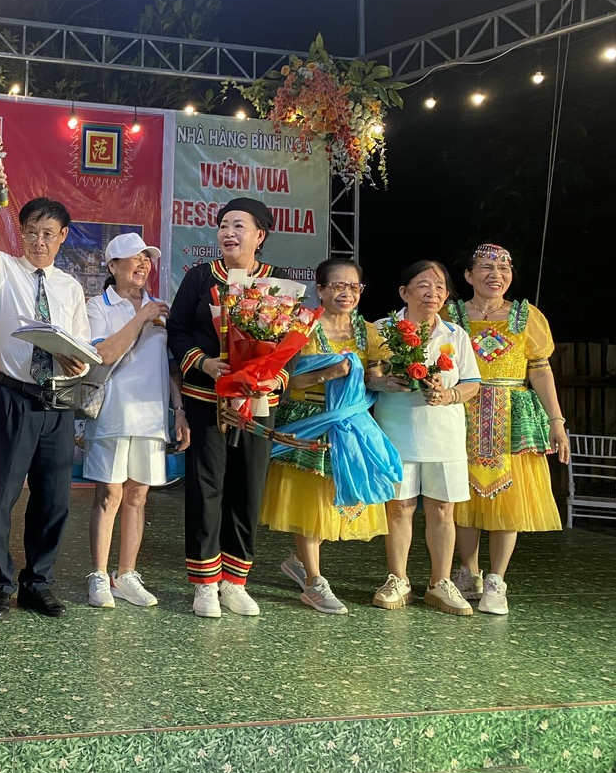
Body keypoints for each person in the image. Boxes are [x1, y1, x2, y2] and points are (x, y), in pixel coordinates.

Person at [0, 157, 90, 621]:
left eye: (48, 233)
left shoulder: (70, 287)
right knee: (1, 496)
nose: (39, 241)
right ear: (21, 233)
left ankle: (38, 583)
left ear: (63, 237)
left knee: (54, 499)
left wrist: (77, 363)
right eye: (32, 232)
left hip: (57, 403)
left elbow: (82, 348)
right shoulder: (2, 270)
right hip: (12, 398)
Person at [167, 197, 288, 618]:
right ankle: (205, 583)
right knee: (206, 488)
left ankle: (235, 582)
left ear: (260, 235)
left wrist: (274, 377)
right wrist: (202, 362)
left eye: (238, 225)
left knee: (248, 489)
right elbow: (177, 330)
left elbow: (289, 345)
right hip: (208, 400)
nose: (228, 233)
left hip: (257, 402)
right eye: (223, 226)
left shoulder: (277, 284)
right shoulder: (200, 278)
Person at [262, 258, 401, 614]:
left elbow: (371, 378)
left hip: (351, 424)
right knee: (309, 503)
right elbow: (284, 380)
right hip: (309, 420)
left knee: (331, 501)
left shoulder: (368, 332)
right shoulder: (301, 327)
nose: (346, 293)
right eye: (337, 286)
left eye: (354, 287)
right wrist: (329, 373)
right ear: (320, 290)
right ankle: (314, 582)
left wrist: (389, 382)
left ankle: (298, 562)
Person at [446, 244, 569, 615]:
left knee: (509, 499)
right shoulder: (451, 315)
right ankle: (468, 573)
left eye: (503, 268)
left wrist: (557, 421)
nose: (495, 274)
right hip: (462, 411)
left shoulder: (526, 316)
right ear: (468, 275)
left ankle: (497, 580)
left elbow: (540, 370)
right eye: (486, 267)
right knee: (462, 495)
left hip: (513, 416)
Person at [368, 260, 481, 615]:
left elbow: (472, 383)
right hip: (396, 430)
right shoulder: (382, 330)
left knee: (443, 509)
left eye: (440, 287)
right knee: (399, 507)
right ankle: (398, 579)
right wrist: (384, 382)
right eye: (423, 285)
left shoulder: (455, 334)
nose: (432, 293)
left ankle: (440, 582)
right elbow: (366, 376)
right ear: (404, 292)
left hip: (444, 434)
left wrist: (449, 395)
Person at [84, 232, 189, 609]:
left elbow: (170, 365)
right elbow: (104, 353)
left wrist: (179, 410)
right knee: (110, 495)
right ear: (113, 266)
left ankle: (126, 575)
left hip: (151, 416)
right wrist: (141, 317)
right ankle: (99, 575)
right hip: (113, 413)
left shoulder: (158, 308)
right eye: (134, 257)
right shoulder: (98, 306)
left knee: (138, 496)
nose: (143, 263)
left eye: (147, 257)